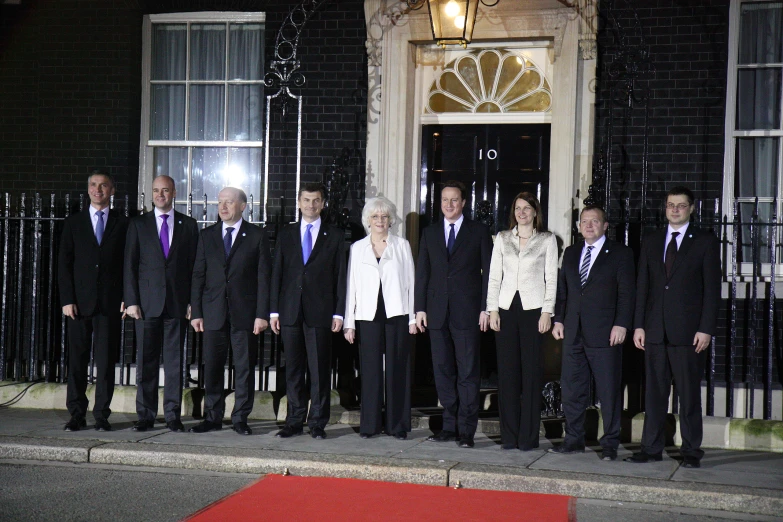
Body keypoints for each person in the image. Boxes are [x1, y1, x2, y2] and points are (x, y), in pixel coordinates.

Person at [627, 186, 720, 468]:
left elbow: (712, 290)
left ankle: (691, 451)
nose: (675, 209)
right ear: (665, 208)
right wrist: (638, 326)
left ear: (691, 208)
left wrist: (706, 328)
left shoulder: (704, 241)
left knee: (689, 396)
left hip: (689, 334)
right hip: (654, 330)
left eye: (681, 205)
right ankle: (651, 448)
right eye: (670, 205)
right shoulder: (652, 240)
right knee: (654, 395)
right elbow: (643, 285)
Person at [550, 205, 635, 460]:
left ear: (605, 225)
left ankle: (609, 443)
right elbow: (564, 291)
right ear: (579, 226)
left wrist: (621, 324)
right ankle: (573, 439)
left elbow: (626, 293)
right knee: (573, 389)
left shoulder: (621, 253)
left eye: (595, 221)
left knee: (608, 390)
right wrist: (558, 320)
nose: (589, 226)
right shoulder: (572, 252)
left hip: (605, 332)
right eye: (584, 222)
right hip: (573, 332)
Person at [415, 180, 492, 448]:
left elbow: (489, 275)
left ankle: (466, 430)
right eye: (445, 200)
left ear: (463, 203)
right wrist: (420, 308)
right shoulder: (430, 233)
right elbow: (423, 272)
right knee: (443, 371)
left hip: (468, 313)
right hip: (436, 314)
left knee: (468, 372)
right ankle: (448, 425)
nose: (449, 205)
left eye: (454, 200)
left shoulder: (479, 232)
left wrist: (486, 307)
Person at [189, 187, 271, 436]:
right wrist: (197, 312)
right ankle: (212, 417)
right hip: (213, 312)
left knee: (244, 367)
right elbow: (198, 275)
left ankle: (240, 418)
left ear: (243, 206)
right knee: (212, 366)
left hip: (245, 314)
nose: (223, 207)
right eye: (220, 202)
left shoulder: (257, 236)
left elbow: (263, 278)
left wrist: (261, 314)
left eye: (230, 202)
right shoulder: (207, 236)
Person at [270, 183, 346, 440]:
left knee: (319, 370)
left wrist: (339, 313)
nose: (311, 205)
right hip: (290, 311)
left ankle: (317, 423)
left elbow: (340, 277)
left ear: (323, 203)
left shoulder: (334, 235)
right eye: (306, 200)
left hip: (320, 313)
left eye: (316, 200)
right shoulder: (286, 233)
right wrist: (273, 311)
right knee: (292, 370)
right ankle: (293, 421)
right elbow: (277, 273)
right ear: (299, 202)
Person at [124, 175, 199, 433]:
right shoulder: (138, 224)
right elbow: (130, 265)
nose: (160, 195)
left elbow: (194, 268)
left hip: (177, 304)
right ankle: (145, 415)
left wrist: (193, 302)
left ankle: (172, 415)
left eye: (165, 190)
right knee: (146, 362)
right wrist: (132, 301)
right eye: (155, 190)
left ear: (174, 192)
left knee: (175, 362)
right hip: (146, 305)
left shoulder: (188, 225)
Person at [486, 192, 558, 451]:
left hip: (533, 310)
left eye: (527, 208)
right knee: (507, 375)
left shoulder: (547, 240)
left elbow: (552, 278)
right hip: (506, 310)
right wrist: (492, 309)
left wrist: (547, 312)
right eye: (518, 208)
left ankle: (528, 438)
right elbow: (494, 277)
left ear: (535, 212)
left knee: (531, 374)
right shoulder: (503, 238)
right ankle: (509, 436)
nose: (522, 212)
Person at [58, 170, 128, 432]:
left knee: (107, 361)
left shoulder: (123, 223)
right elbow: (64, 265)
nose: (98, 189)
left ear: (112, 190)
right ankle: (77, 414)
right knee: (77, 360)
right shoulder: (74, 223)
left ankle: (102, 415)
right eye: (93, 185)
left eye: (103, 185)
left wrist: (127, 298)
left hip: (110, 303)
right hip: (79, 304)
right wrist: (67, 299)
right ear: (88, 190)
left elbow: (127, 265)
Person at [344, 197, 417, 440]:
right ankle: (370, 425)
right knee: (371, 371)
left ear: (390, 220)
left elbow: (410, 284)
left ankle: (397, 425)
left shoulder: (402, 245)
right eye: (375, 217)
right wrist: (349, 322)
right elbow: (351, 286)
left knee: (397, 370)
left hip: (397, 314)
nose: (380, 221)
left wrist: (412, 318)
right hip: (367, 316)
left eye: (384, 217)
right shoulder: (357, 248)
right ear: (367, 220)